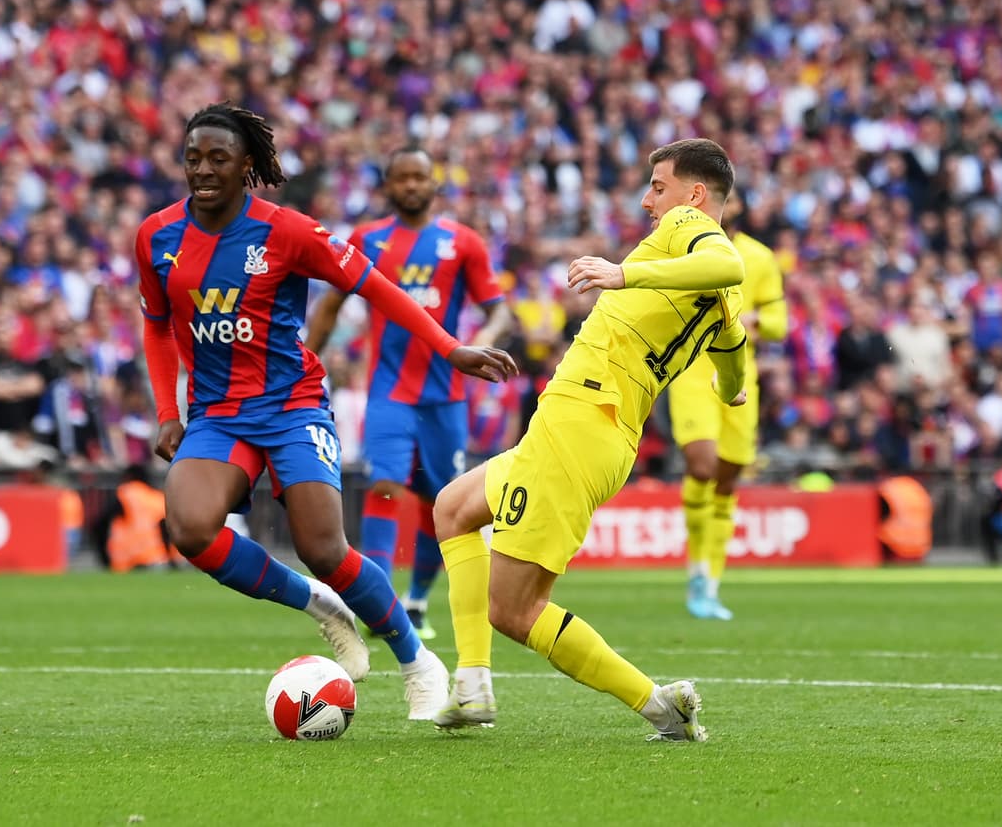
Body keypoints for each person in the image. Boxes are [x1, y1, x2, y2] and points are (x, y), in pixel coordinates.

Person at [135, 103, 517, 720]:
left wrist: (450, 347)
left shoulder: (287, 231)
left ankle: (415, 657)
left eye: (218, 159)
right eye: (193, 157)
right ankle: (319, 604)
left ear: (247, 167)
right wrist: (165, 409)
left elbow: (377, 287)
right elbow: (156, 325)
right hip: (217, 415)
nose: (202, 170)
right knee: (190, 528)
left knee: (325, 547)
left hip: (291, 406)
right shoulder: (156, 235)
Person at [432, 139, 748, 740]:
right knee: (454, 507)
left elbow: (726, 262)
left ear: (694, 194)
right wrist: (729, 388)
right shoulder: (725, 306)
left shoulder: (688, 227)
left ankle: (660, 706)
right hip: (596, 430)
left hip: (581, 422)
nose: (648, 199)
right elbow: (735, 362)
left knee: (514, 611)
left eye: (658, 186)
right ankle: (471, 685)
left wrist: (622, 273)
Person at [305, 147, 512, 640]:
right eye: (403, 178)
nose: (412, 185)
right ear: (389, 186)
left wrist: (486, 337)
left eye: (420, 177)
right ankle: (379, 602)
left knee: (443, 502)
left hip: (446, 395)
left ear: (434, 183)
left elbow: (499, 308)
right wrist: (307, 363)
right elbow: (331, 303)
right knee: (384, 484)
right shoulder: (368, 239)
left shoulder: (462, 242)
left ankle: (416, 599)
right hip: (388, 391)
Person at [665, 189, 788, 620]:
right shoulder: (685, 248)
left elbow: (779, 323)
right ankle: (697, 571)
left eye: (733, 201)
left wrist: (754, 320)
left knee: (727, 481)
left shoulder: (759, 258)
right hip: (692, 371)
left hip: (738, 372)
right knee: (702, 466)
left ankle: (709, 581)